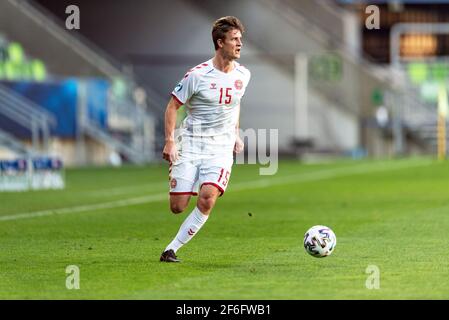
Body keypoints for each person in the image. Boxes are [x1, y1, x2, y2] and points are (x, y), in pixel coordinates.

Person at [160, 16, 251, 262]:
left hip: (220, 148)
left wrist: (235, 133)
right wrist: (170, 140)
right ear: (220, 43)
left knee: (208, 197)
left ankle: (171, 249)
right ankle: (178, 176)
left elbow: (235, 105)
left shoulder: (244, 75)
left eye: (240, 39)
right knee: (177, 207)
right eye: (234, 40)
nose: (240, 44)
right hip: (191, 143)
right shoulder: (197, 76)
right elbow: (172, 107)